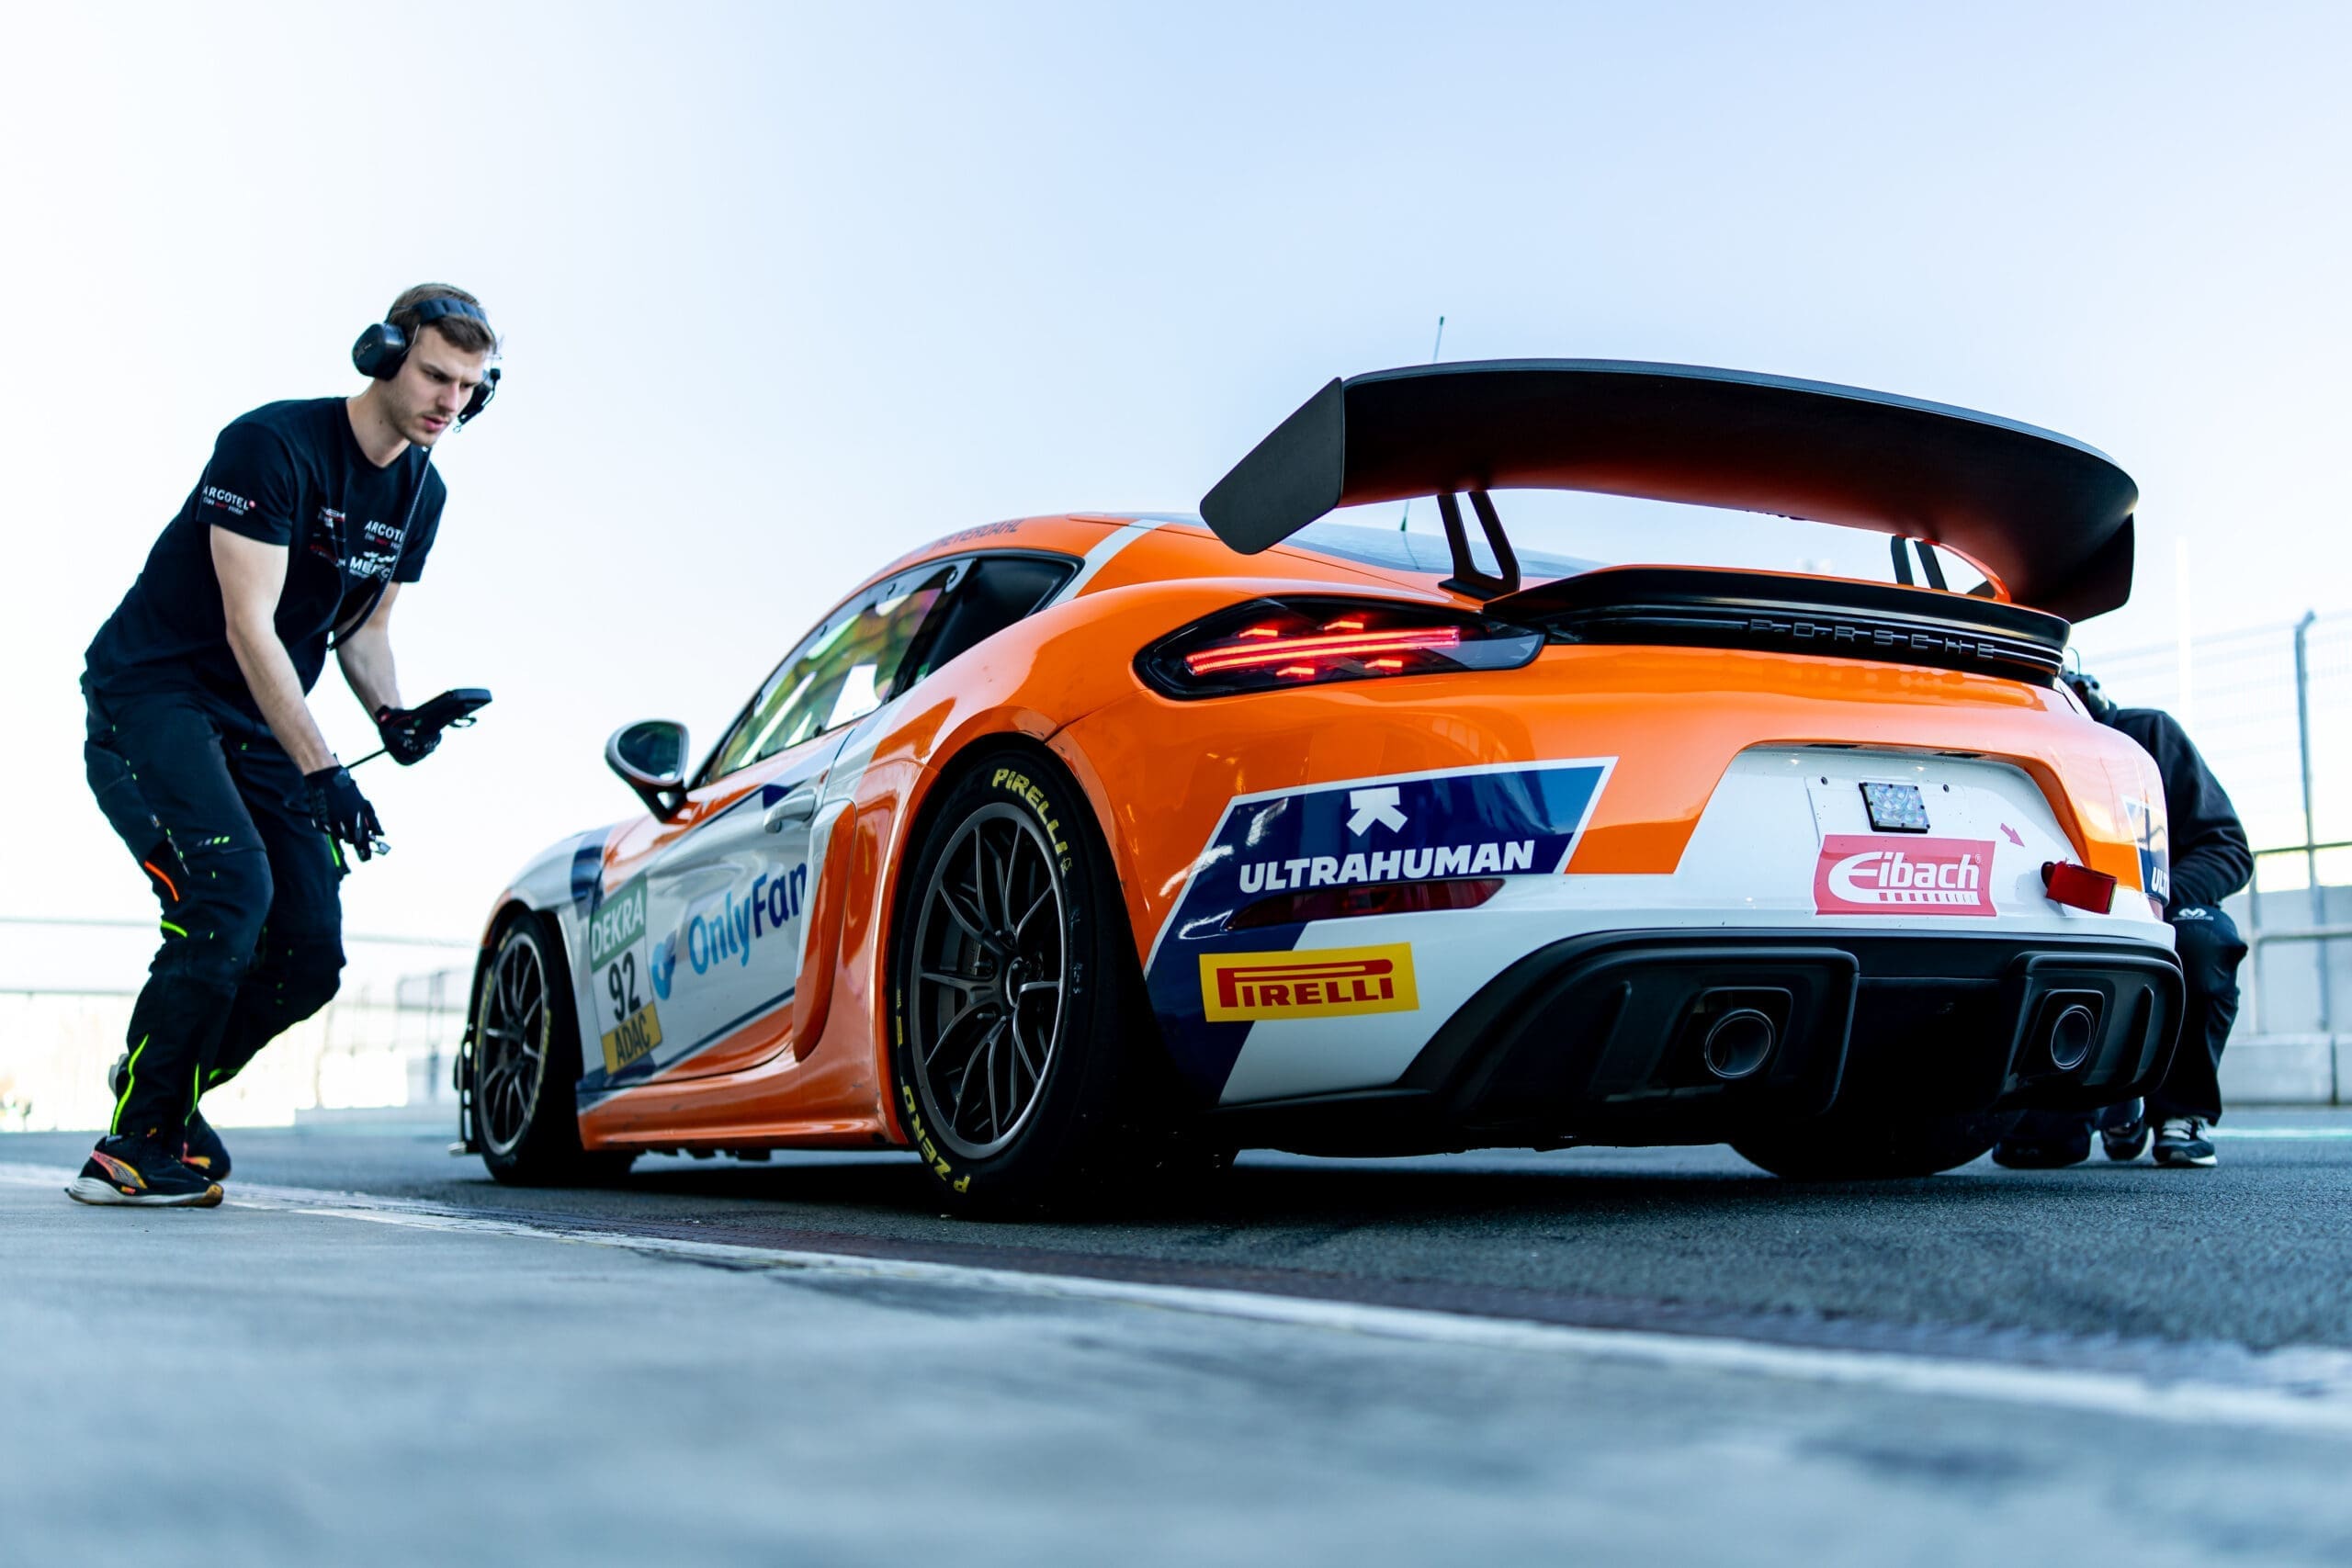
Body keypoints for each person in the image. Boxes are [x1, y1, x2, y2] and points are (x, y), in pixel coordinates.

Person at [68, 285, 499, 1207]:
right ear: (383, 355)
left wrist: (394, 717)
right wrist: (325, 769)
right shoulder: (270, 446)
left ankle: (164, 1085)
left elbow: (364, 632)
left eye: (470, 387)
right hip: (153, 695)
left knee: (308, 949)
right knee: (229, 890)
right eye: (435, 375)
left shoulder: (422, 494)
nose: (450, 402)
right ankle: (132, 1149)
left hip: (258, 724)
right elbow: (250, 626)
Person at [1994, 666, 2253, 1171]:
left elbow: (2227, 847)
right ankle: (2114, 1101)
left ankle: (2181, 1114)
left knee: (2202, 944)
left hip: (2163, 912)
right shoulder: (2013, 750)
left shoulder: (2148, 735)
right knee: (2037, 1150)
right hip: (2065, 917)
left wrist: (2153, 902)